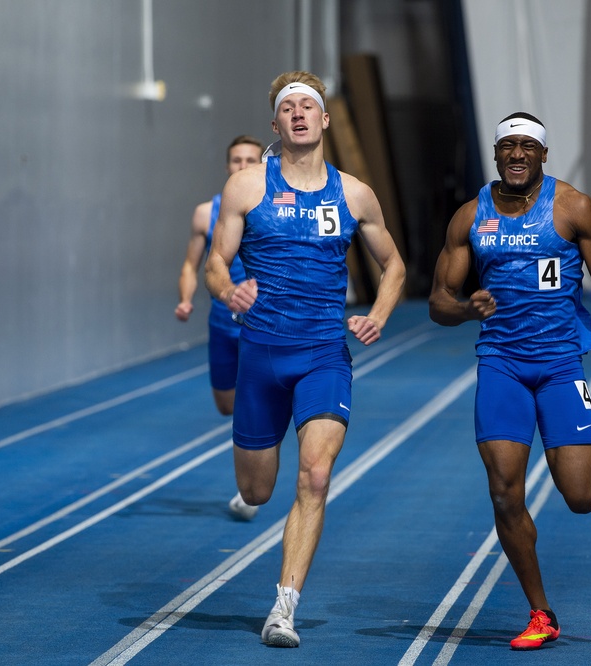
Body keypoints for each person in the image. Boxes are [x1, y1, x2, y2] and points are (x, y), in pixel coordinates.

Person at [428, 112, 591, 650]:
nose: (517, 154)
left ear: (544, 155)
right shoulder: (469, 216)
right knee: (505, 494)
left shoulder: (573, 209)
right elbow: (437, 301)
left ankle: (542, 507)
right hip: (500, 364)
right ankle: (540, 611)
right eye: (508, 147)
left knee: (581, 496)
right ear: (496, 154)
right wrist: (465, 310)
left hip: (561, 368)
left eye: (528, 146)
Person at [205, 71, 405, 648]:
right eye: (287, 107)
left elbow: (394, 265)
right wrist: (227, 291)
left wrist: (381, 314)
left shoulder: (354, 193)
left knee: (315, 475)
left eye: (307, 106)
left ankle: (283, 608)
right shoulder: (247, 186)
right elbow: (218, 261)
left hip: (323, 355)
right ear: (276, 125)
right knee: (260, 490)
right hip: (262, 357)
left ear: (322, 121)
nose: (298, 114)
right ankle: (253, 465)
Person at [175, 134, 264, 521]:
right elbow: (190, 265)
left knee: (250, 400)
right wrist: (186, 298)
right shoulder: (204, 213)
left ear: (262, 164)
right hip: (220, 320)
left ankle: (250, 486)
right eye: (236, 160)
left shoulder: (272, 208)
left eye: (250, 160)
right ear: (227, 165)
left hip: (259, 322)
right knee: (225, 404)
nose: (242, 166)